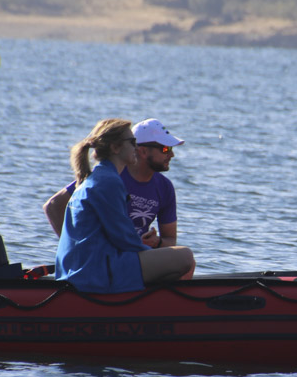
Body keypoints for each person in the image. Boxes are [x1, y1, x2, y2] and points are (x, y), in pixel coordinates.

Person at [54, 119, 194, 293]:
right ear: (115, 148)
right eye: (132, 142)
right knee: (185, 257)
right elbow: (124, 239)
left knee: (172, 259)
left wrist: (154, 248)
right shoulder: (109, 181)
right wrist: (150, 253)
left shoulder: (98, 176)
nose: (136, 147)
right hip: (94, 272)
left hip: (87, 267)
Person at [44, 119, 183, 250]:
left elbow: (170, 239)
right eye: (166, 149)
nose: (171, 155)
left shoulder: (165, 187)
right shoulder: (109, 177)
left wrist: (156, 242)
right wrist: (75, 247)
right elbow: (53, 206)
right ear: (143, 151)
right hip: (112, 256)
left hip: (134, 253)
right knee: (185, 258)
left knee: (184, 258)